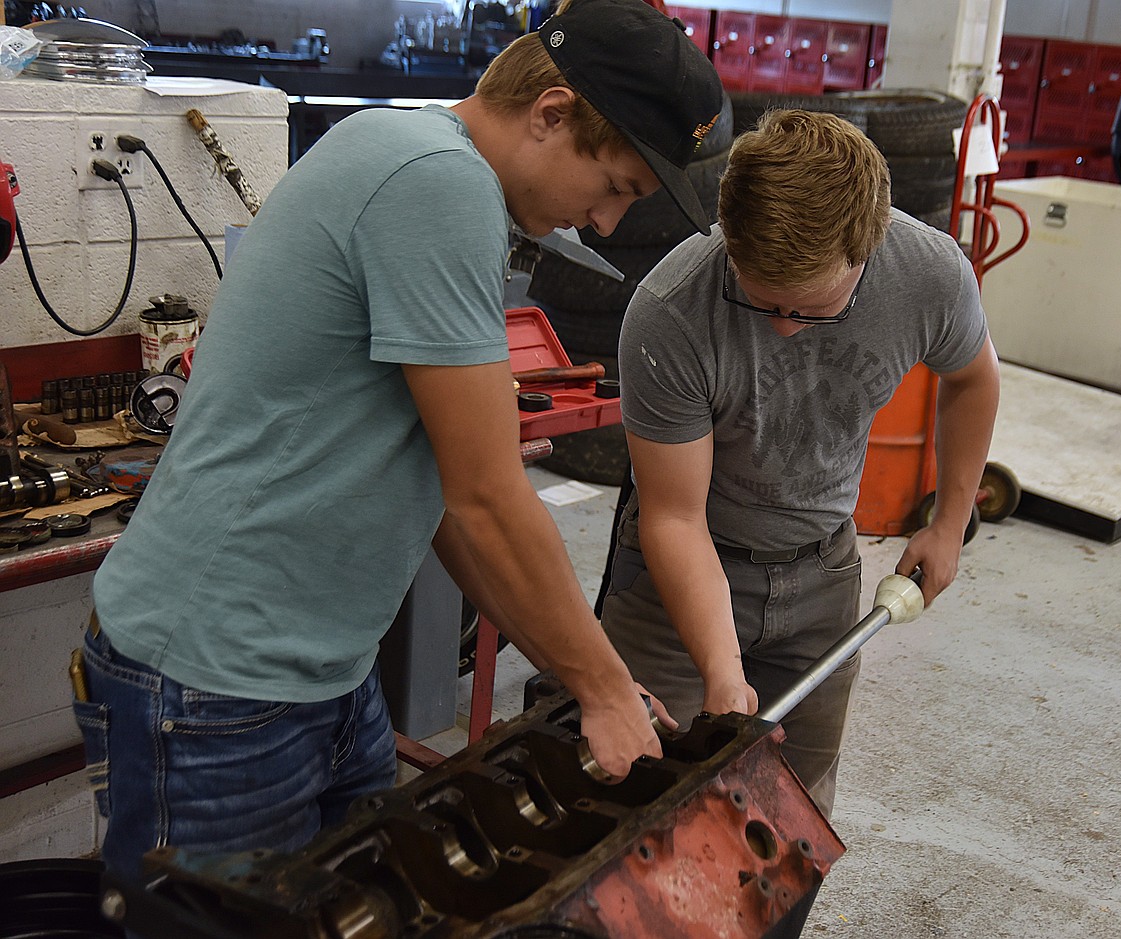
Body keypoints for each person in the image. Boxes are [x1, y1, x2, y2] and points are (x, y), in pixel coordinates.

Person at [75, 0, 725, 884]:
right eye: (613, 186)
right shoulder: (436, 183)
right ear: (552, 113)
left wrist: (591, 673)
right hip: (215, 684)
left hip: (323, 675)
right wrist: (604, 690)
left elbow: (445, 491)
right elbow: (489, 496)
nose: (605, 222)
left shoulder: (413, 155)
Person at [600, 109, 1001, 819]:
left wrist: (950, 520)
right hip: (682, 571)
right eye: (760, 298)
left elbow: (973, 378)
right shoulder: (671, 310)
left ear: (865, 253)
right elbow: (673, 515)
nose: (783, 324)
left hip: (824, 573)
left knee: (790, 821)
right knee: (635, 801)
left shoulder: (928, 275)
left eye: (810, 306)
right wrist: (721, 668)